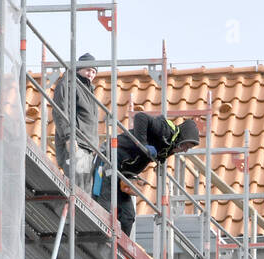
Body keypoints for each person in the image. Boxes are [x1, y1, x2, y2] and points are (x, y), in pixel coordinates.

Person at [94, 113, 201, 237]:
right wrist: (143, 144)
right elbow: (141, 117)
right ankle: (102, 239)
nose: (184, 150)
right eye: (185, 146)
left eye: (188, 148)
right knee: (106, 203)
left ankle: (118, 248)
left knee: (128, 216)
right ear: (181, 138)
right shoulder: (166, 131)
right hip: (111, 157)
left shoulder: (170, 148)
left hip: (123, 173)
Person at [50, 53, 100, 187]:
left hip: (88, 147)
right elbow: (60, 111)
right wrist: (68, 137)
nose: (91, 74)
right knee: (77, 191)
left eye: (94, 71)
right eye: (88, 70)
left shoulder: (89, 90)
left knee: (85, 194)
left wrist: (94, 144)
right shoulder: (69, 83)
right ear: (78, 69)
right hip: (76, 143)